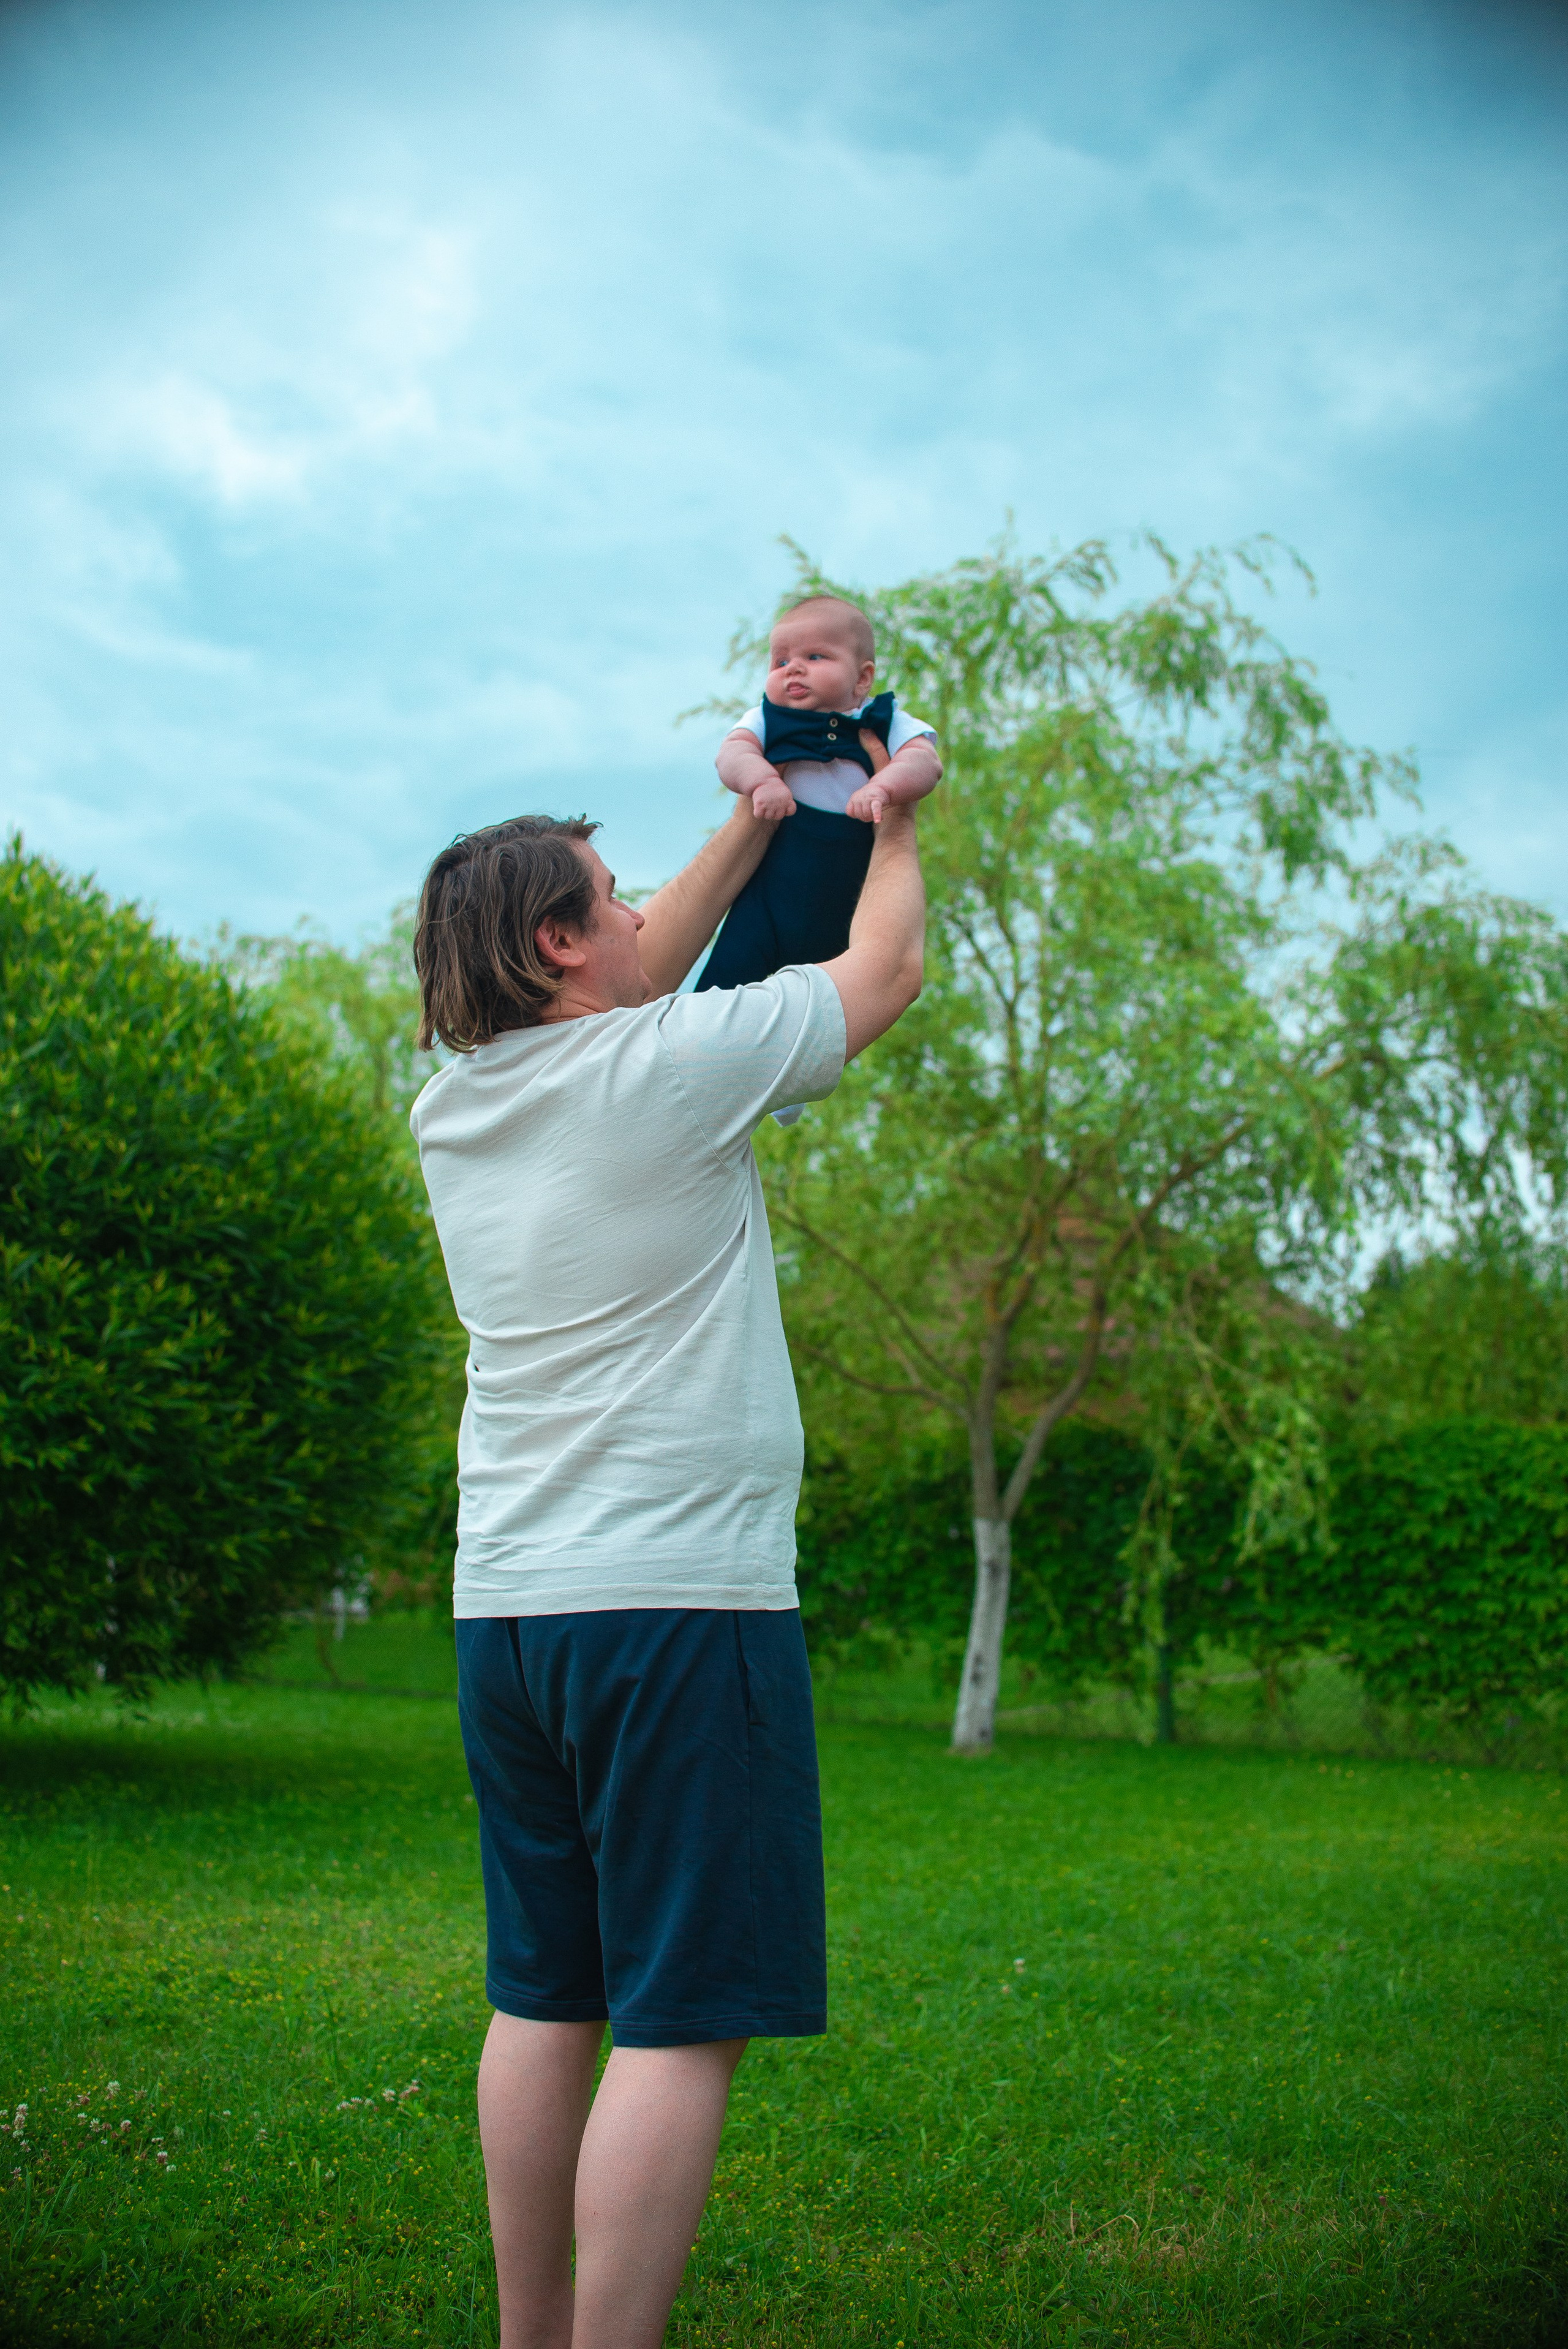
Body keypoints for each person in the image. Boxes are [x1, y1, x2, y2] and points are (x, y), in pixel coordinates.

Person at [408, 789, 925, 2349]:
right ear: (559, 940)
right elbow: (880, 975)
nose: (646, 915)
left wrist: (759, 821)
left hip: (509, 1610)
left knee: (545, 1992)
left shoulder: (461, 1097)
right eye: (612, 896)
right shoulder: (666, 1072)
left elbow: (639, 967)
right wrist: (887, 826)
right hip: (675, 1609)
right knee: (684, 2017)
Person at [698, 593, 941, 994]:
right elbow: (732, 754)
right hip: (770, 885)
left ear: (863, 678)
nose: (793, 668)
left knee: (832, 996)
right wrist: (762, 780)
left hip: (847, 890)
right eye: (780, 661)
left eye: (815, 657)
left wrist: (884, 785)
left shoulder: (884, 720)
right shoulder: (765, 718)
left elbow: (926, 763)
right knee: (727, 982)